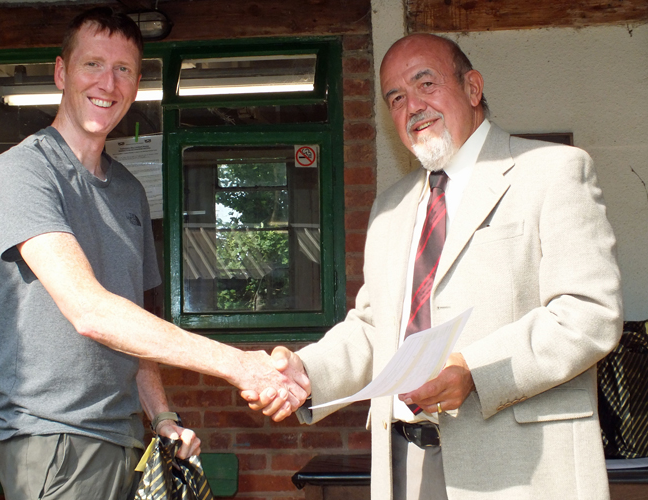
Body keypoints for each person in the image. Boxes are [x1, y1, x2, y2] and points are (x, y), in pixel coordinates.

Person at [246, 33, 623, 499]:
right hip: (406, 461)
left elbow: (588, 313)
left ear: (473, 87)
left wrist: (474, 369)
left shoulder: (553, 170)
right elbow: (372, 328)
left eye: (426, 84)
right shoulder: (390, 208)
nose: (413, 106)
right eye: (397, 98)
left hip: (522, 464)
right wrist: (307, 372)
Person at [0, 7, 307, 500]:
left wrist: (163, 417)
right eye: (93, 64)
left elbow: (130, 324)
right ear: (60, 72)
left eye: (124, 70)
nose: (107, 83)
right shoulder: (23, 172)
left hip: (128, 441)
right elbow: (91, 311)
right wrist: (240, 365)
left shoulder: (129, 191)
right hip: (56, 442)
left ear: (136, 84)